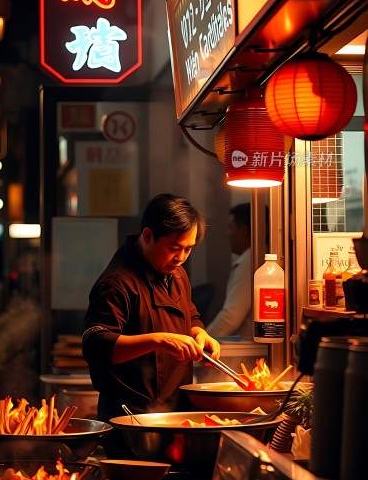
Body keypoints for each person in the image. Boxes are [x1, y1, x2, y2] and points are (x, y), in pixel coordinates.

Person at [82, 193, 221, 455]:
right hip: (131, 421)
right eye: (174, 247)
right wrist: (159, 339)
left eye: (188, 249)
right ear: (148, 236)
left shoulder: (175, 273)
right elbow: (95, 343)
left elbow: (189, 314)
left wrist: (200, 333)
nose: (181, 257)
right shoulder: (117, 282)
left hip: (174, 412)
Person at [206, 203, 253, 339]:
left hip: (247, 351)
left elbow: (230, 317)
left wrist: (203, 342)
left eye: (230, 229)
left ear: (243, 231)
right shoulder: (249, 259)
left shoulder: (250, 261)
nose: (227, 235)